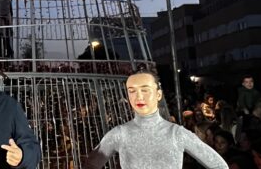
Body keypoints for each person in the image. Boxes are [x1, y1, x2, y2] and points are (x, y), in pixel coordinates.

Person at [85, 70, 227, 169]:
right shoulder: (119, 134)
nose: (139, 97)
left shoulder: (176, 133)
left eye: (145, 90)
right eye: (132, 91)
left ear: (158, 94)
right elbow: (90, 165)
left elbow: (219, 165)